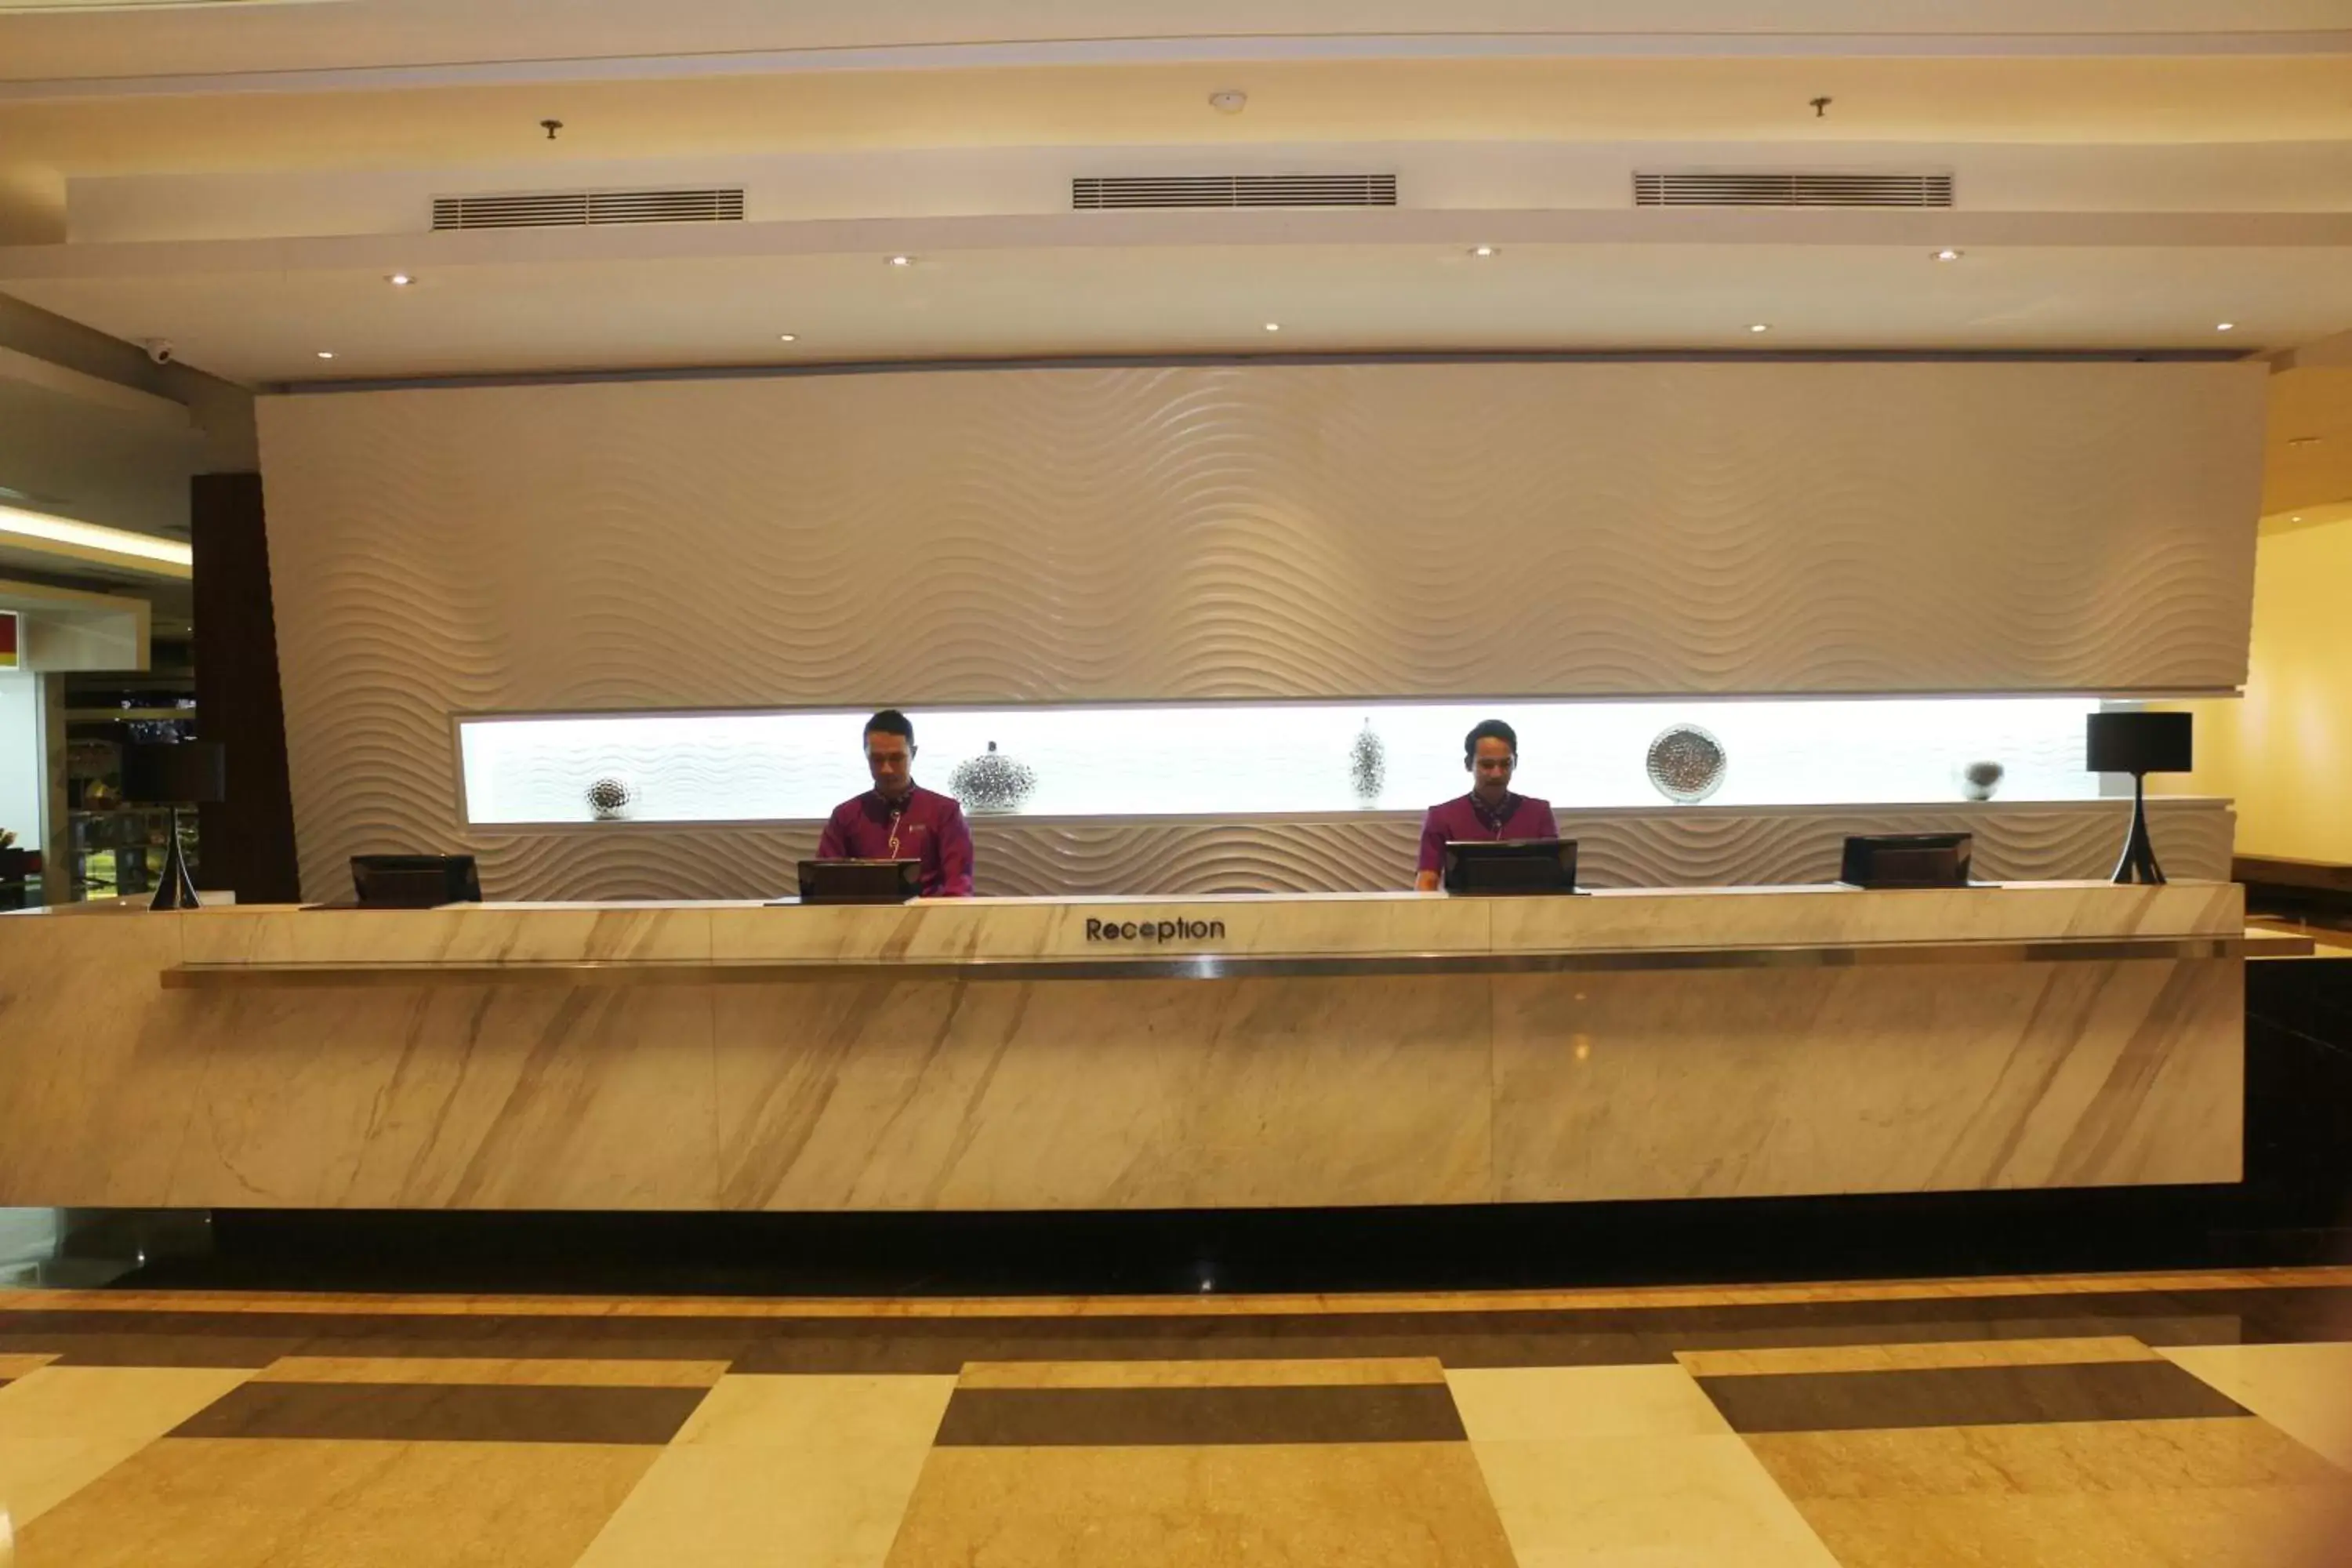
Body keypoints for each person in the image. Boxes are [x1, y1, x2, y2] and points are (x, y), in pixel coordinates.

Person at [815, 709, 975, 897]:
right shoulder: (845, 815)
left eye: (897, 758)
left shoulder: (945, 812)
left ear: (913, 753)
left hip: (929, 918)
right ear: (866, 756)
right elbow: (825, 884)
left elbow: (958, 886)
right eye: (877, 759)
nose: (887, 769)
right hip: (863, 920)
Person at [1414, 718, 1559, 891]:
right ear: (1469, 764)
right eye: (1487, 765)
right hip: (1462, 914)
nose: (1497, 774)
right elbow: (1426, 881)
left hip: (1526, 914)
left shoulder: (1539, 813)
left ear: (1516, 763)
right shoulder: (1441, 817)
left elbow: (1557, 881)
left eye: (1506, 764)